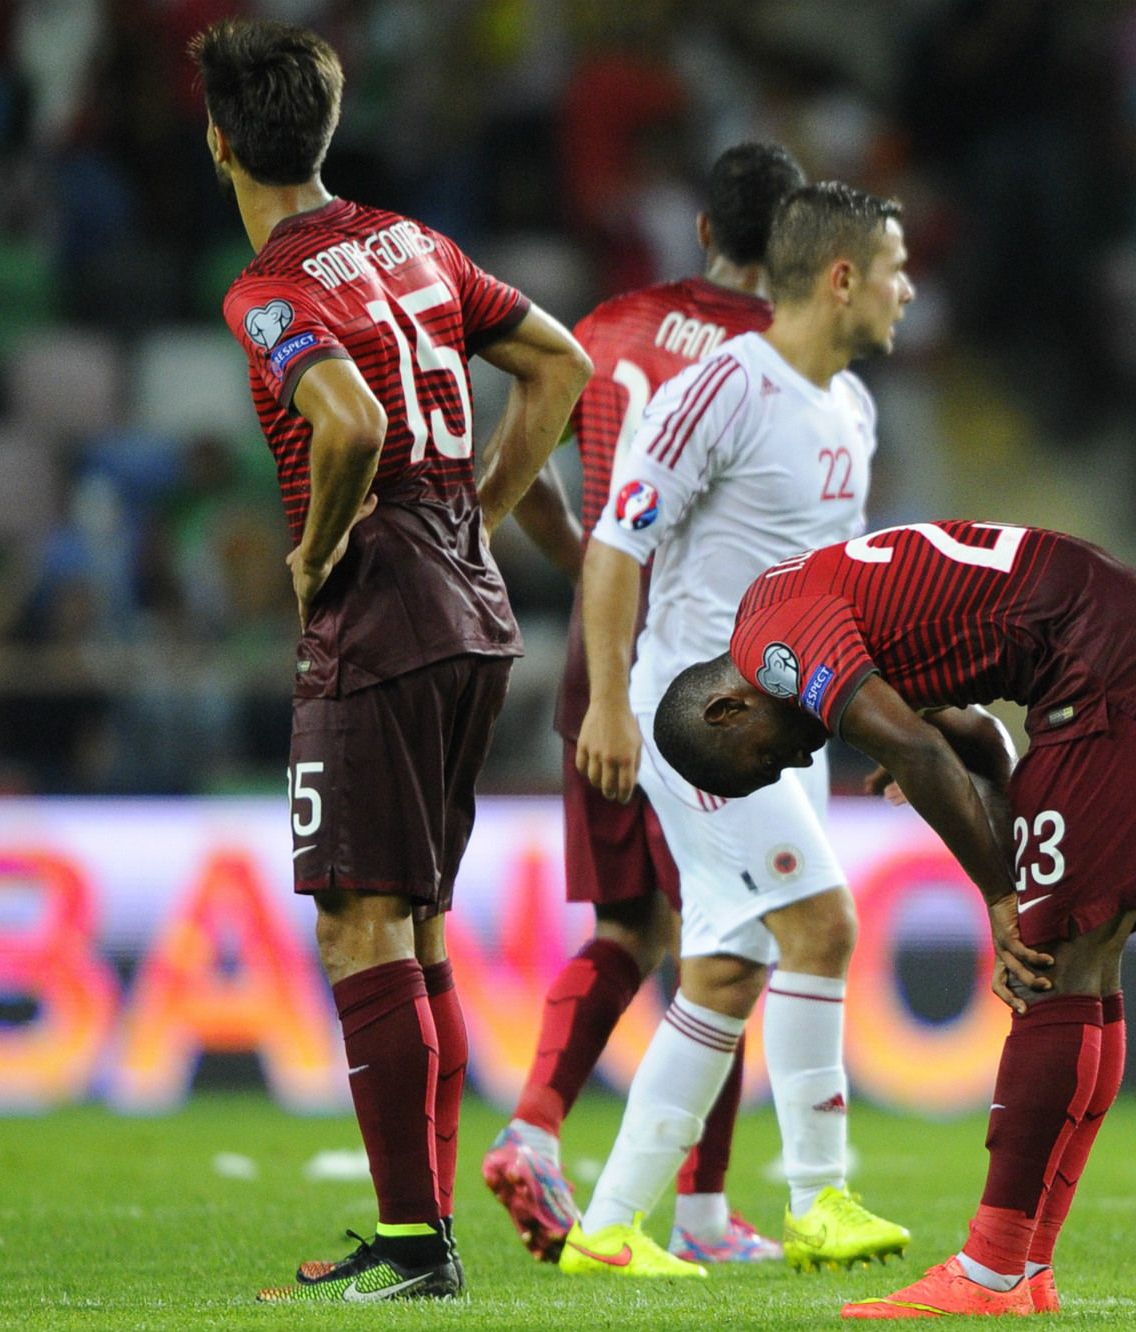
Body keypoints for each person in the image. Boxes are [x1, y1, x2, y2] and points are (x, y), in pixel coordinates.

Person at [193, 17, 592, 1303]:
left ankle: (416, 1248)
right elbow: (561, 362)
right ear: (328, 123)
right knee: (413, 925)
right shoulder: (415, 242)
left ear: (218, 142)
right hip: (472, 607)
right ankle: (420, 1236)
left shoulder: (268, 292)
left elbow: (349, 422)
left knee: (359, 924)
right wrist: (479, 499)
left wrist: (316, 557)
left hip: (378, 616)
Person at [650, 520, 1136, 1318]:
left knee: (1052, 968)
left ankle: (988, 1273)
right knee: (1086, 968)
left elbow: (920, 753)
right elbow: (978, 740)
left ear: (726, 709)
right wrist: (987, 827)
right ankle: (1025, 1269)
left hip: (1110, 671)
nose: (796, 762)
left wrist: (999, 897)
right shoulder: (783, 603)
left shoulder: (777, 651)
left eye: (765, 761)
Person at [556, 182, 915, 1280]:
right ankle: (822, 1198)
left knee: (727, 966)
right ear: (842, 276)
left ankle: (610, 1229)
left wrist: (889, 728)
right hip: (696, 709)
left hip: (774, 721)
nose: (911, 291)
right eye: (897, 269)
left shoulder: (851, 407)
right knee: (822, 927)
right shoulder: (723, 390)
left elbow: (835, 590)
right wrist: (612, 700)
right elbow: (618, 545)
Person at [482, 141, 805, 1268]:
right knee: (730, 933)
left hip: (598, 662)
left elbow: (510, 466)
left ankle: (533, 1127)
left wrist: (586, 562)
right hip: (710, 683)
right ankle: (704, 1218)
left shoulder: (611, 323)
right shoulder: (779, 356)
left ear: (704, 231)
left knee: (633, 928)